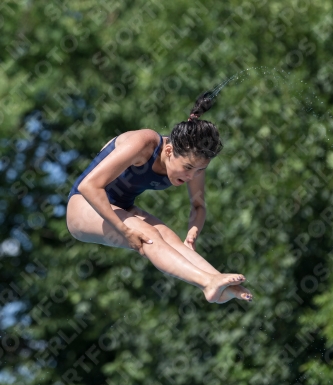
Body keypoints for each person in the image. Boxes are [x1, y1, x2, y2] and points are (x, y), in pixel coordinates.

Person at [66, 91, 252, 304]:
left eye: (200, 170)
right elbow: (89, 185)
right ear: (170, 150)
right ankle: (207, 283)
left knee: (169, 236)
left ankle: (220, 285)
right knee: (148, 234)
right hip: (83, 205)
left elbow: (198, 205)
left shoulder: (193, 161)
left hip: (123, 206)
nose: (192, 176)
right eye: (188, 168)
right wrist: (123, 229)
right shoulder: (144, 143)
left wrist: (194, 231)